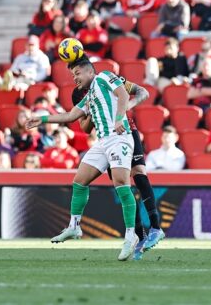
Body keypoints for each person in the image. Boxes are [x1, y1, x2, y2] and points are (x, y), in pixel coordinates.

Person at [26, 57, 139, 261]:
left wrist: (120, 117)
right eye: (73, 75)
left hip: (119, 138)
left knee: (121, 182)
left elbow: (122, 93)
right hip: (103, 142)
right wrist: (42, 119)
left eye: (77, 74)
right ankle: (74, 227)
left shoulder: (104, 76)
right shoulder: (87, 98)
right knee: (79, 180)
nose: (75, 78)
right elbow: (69, 116)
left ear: (89, 72)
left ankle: (131, 236)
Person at [71, 71, 163, 260]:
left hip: (127, 132)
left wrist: (123, 110)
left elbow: (142, 92)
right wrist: (89, 108)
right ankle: (139, 236)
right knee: (123, 187)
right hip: (108, 142)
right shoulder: (81, 95)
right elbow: (86, 128)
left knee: (139, 173)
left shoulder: (110, 81)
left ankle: (155, 227)